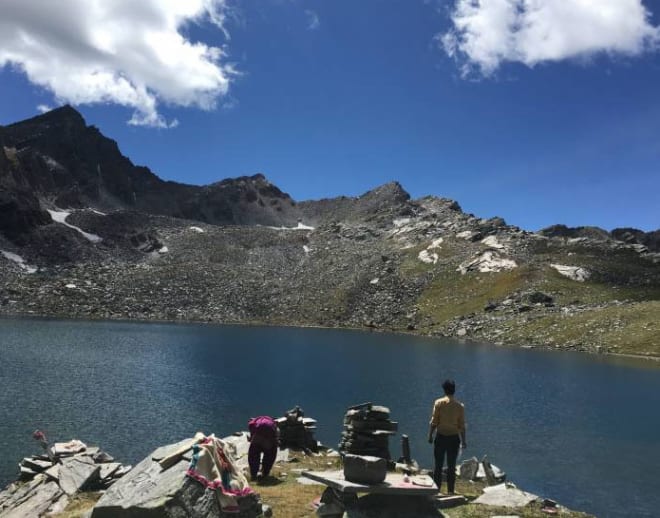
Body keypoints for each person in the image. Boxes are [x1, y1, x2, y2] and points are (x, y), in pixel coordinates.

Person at [428, 379, 466, 494]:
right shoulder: (460, 406)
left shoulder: (438, 403)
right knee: (451, 466)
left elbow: (434, 422)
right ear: (454, 390)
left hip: (441, 437)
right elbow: (462, 426)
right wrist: (464, 441)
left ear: (444, 390)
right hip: (454, 438)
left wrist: (430, 435)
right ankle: (450, 491)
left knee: (438, 465)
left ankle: (437, 490)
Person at [247, 416, 279, 481]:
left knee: (253, 456)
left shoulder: (254, 423)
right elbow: (276, 437)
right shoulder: (272, 424)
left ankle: (254, 475)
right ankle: (265, 474)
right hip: (269, 439)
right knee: (269, 456)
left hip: (257, 438)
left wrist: (250, 439)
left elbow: (252, 435)